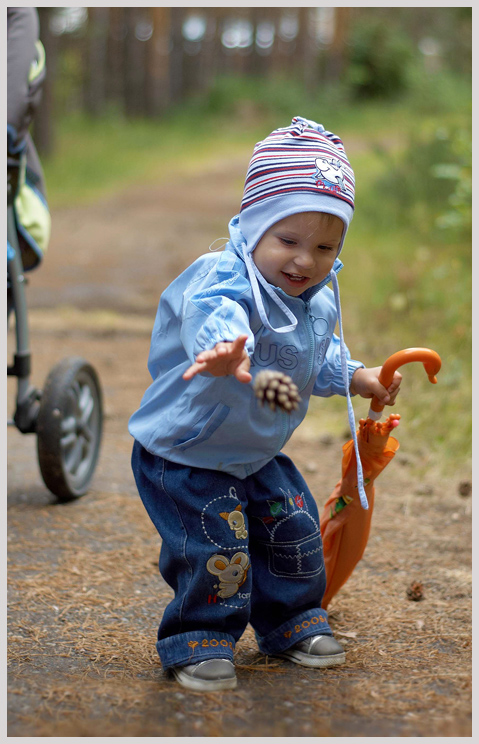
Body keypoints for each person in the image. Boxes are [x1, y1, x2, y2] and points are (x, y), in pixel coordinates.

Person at [129, 116, 401, 692]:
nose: (305, 261)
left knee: (294, 525)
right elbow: (213, 319)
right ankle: (200, 635)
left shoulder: (316, 297)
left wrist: (359, 376)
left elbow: (317, 357)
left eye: (326, 246)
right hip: (189, 453)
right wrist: (228, 352)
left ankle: (293, 620)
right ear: (254, 228)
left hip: (254, 451)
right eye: (289, 241)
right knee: (216, 543)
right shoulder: (222, 278)